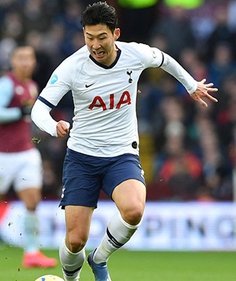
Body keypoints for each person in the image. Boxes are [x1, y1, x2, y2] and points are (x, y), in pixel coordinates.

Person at [30, 2, 218, 281]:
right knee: (75, 241)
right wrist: (52, 125)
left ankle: (99, 258)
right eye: (89, 37)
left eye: (101, 37)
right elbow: (38, 109)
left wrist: (191, 85)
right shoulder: (71, 67)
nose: (95, 45)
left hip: (121, 153)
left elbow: (164, 59)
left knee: (133, 210)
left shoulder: (135, 54)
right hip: (82, 156)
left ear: (115, 33)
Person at [0, 45, 57, 270]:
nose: (25, 62)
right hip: (2, 154)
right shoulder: (6, 84)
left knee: (32, 199)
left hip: (26, 152)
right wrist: (19, 113)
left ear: (34, 62)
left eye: (29, 58)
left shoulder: (32, 86)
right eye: (20, 58)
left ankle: (32, 253)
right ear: (13, 62)